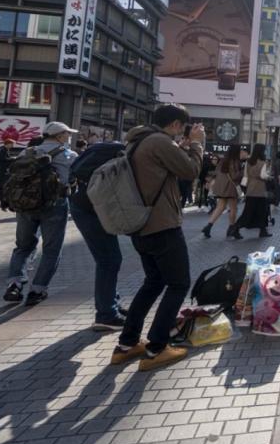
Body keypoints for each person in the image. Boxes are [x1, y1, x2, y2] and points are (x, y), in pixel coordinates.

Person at [111, 104, 204, 371]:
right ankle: (157, 347)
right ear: (175, 125)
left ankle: (126, 345)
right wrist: (197, 144)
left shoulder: (139, 140)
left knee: (153, 282)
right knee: (178, 283)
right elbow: (190, 171)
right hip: (161, 225)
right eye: (182, 128)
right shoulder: (160, 142)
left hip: (141, 225)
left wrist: (183, 147)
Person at [2, 122, 79, 306]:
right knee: (52, 250)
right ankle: (37, 290)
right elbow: (74, 179)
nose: (68, 137)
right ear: (60, 135)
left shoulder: (26, 152)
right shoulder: (69, 155)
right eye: (67, 134)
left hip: (25, 205)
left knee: (23, 247)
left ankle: (15, 283)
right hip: (54, 205)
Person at [69, 140, 127, 331]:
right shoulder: (122, 154)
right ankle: (106, 314)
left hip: (81, 204)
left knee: (109, 259)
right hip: (91, 209)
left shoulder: (105, 148)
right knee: (109, 260)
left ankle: (111, 304)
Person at [202, 145, 242, 240]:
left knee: (220, 207)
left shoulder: (223, 160)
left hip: (221, 188)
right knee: (233, 208)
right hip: (230, 188)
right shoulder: (234, 162)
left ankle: (208, 226)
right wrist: (242, 172)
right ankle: (231, 229)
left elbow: (216, 173)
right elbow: (234, 176)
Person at [234, 143, 273, 238]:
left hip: (250, 189)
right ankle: (262, 231)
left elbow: (246, 175)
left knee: (248, 211)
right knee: (262, 212)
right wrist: (269, 177)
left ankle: (236, 228)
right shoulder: (263, 163)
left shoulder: (248, 162)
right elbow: (263, 176)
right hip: (260, 190)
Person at [0, 136, 17, 209]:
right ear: (8, 144)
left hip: (3, 168)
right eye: (12, 144)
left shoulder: (5, 149)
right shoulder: (3, 150)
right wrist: (13, 159)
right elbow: (3, 159)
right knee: (3, 180)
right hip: (1, 168)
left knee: (3, 180)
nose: (13, 146)